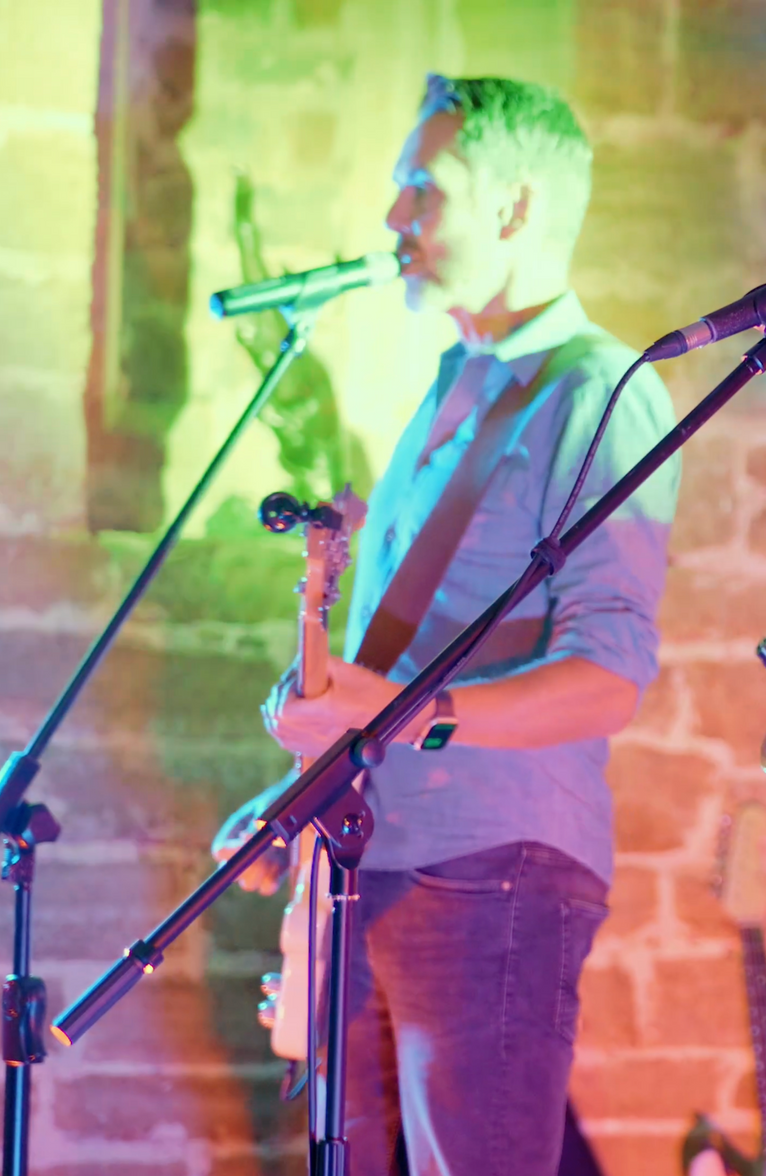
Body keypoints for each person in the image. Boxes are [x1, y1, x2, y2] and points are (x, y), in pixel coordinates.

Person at [212, 75, 677, 1176]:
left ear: (514, 208)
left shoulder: (603, 390)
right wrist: (298, 797)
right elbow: (393, 662)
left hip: (495, 869)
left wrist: (410, 716)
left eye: (423, 188)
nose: (393, 220)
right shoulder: (445, 387)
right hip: (373, 860)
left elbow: (611, 675)